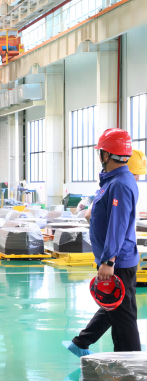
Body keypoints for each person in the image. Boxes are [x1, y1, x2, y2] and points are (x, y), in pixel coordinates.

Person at [65, 129, 141, 357]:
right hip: (116, 258)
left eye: (100, 152)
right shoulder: (112, 181)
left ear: (106, 155)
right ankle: (81, 343)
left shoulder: (119, 184)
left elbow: (118, 225)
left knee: (124, 319)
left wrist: (109, 261)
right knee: (115, 307)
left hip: (118, 261)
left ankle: (131, 370)